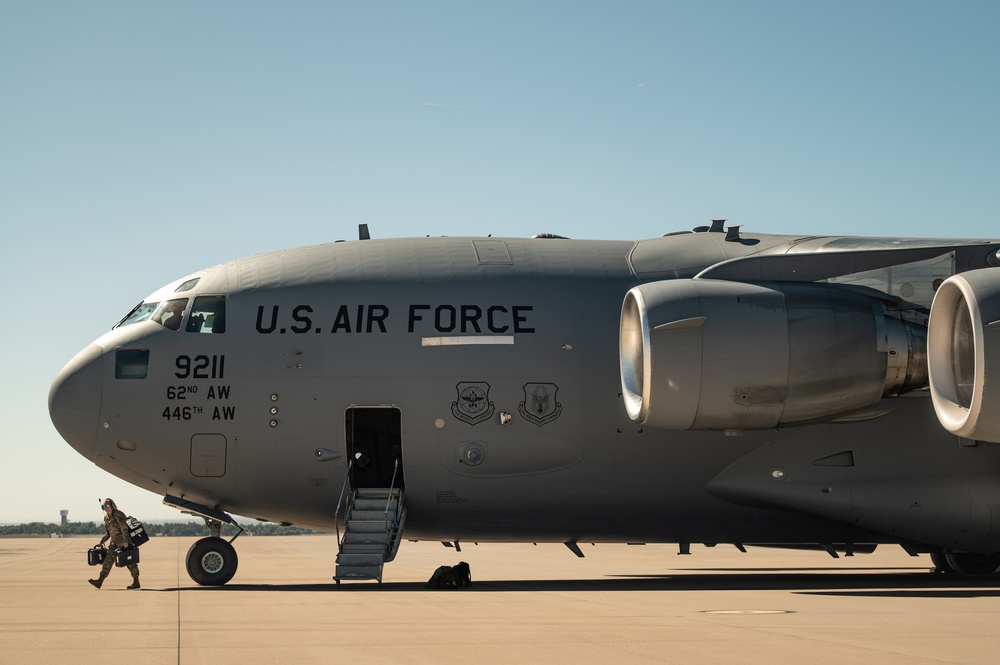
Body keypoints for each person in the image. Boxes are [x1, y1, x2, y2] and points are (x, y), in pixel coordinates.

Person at [88, 498, 140, 590]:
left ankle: (136, 581)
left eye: (108, 506)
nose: (106, 508)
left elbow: (124, 528)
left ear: (112, 505)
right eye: (104, 506)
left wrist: (125, 541)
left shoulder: (118, 515)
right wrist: (101, 542)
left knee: (130, 562)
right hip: (114, 542)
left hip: (123, 542)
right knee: (107, 561)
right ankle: (99, 581)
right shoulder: (107, 518)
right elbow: (108, 533)